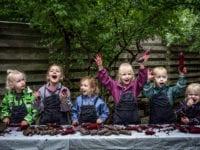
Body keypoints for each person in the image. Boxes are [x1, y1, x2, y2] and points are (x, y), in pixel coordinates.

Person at [95, 53, 149, 125]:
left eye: (129, 74)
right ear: (119, 76)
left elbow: (142, 79)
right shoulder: (114, 86)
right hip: (119, 121)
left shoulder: (135, 85)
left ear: (132, 75)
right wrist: (100, 66)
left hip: (134, 121)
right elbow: (105, 79)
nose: (127, 76)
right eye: (124, 74)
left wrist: (142, 65)